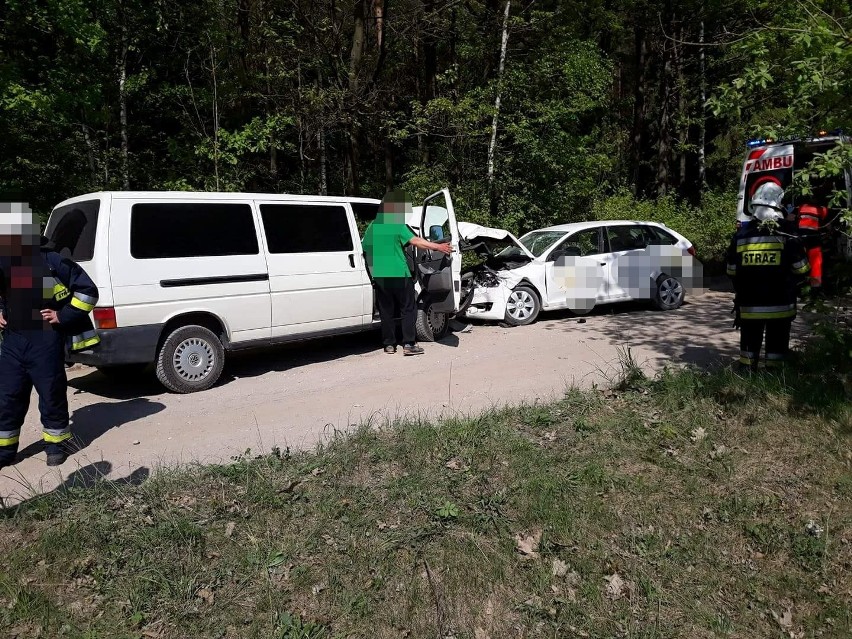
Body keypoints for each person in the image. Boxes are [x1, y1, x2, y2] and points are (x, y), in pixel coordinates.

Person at [0, 204, 100, 469]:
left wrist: (62, 315)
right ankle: (4, 451)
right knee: (7, 397)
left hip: (45, 340)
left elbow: (87, 292)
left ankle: (56, 445)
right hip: (12, 340)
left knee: (51, 394)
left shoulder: (51, 259)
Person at [726, 182, 810, 371]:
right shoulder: (787, 232)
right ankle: (773, 383)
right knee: (776, 352)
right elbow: (802, 269)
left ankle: (745, 381)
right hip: (780, 306)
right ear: (778, 204)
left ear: (754, 204)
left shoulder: (741, 235)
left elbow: (731, 270)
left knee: (748, 352)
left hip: (749, 306)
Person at [361, 191, 451, 355]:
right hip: (399, 273)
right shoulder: (395, 225)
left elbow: (366, 249)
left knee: (386, 310)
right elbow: (416, 241)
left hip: (380, 275)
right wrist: (439, 247)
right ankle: (409, 344)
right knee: (408, 309)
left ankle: (389, 344)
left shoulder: (372, 227)